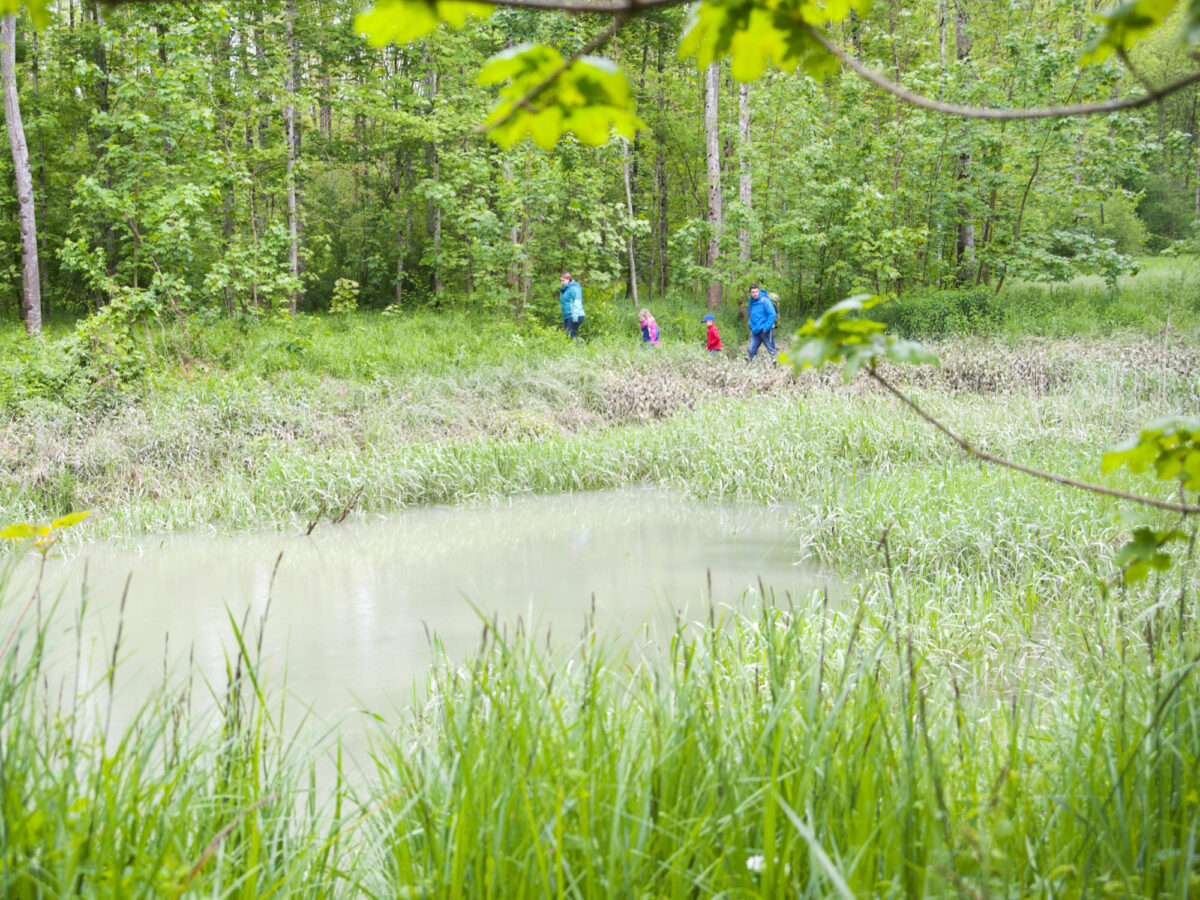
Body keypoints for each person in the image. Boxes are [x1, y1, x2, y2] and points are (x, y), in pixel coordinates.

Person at [746, 283, 777, 361]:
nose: (755, 294)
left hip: (765, 331)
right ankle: (753, 369)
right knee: (752, 351)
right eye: (753, 292)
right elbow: (750, 314)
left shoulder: (765, 300)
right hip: (755, 331)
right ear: (750, 293)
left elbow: (772, 315)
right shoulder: (751, 302)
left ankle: (778, 368)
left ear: (759, 291)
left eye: (756, 291)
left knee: (772, 351)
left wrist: (766, 328)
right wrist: (751, 325)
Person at [559, 272, 584, 339]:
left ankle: (580, 348)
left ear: (568, 279)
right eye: (561, 281)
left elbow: (577, 303)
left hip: (575, 315)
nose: (562, 282)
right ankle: (577, 348)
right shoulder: (566, 290)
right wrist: (565, 319)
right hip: (569, 316)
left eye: (563, 280)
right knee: (569, 335)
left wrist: (575, 317)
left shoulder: (573, 289)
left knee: (570, 335)